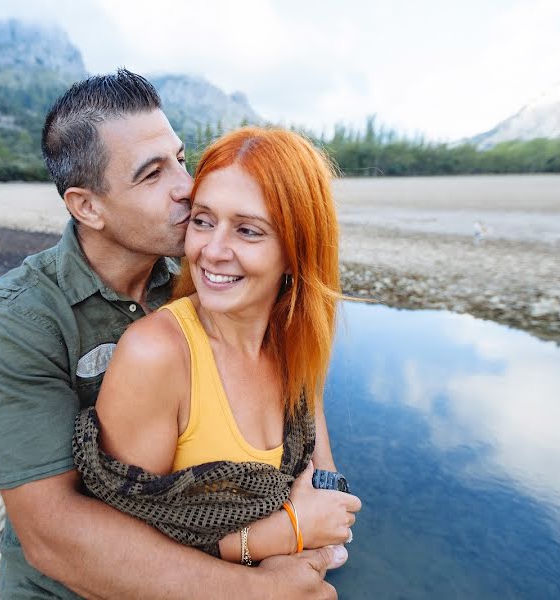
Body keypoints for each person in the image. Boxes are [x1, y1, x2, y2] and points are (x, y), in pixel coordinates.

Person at [0, 69, 347, 599]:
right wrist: (262, 582)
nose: (187, 189)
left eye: (181, 160)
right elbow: (53, 532)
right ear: (87, 206)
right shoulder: (22, 318)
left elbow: (302, 426)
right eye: (152, 175)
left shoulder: (208, 285)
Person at [74, 127, 361, 564]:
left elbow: (324, 480)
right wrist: (285, 533)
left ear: (297, 251)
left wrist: (320, 535)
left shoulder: (293, 341)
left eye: (247, 231)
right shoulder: (156, 354)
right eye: (203, 221)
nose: (212, 250)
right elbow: (126, 549)